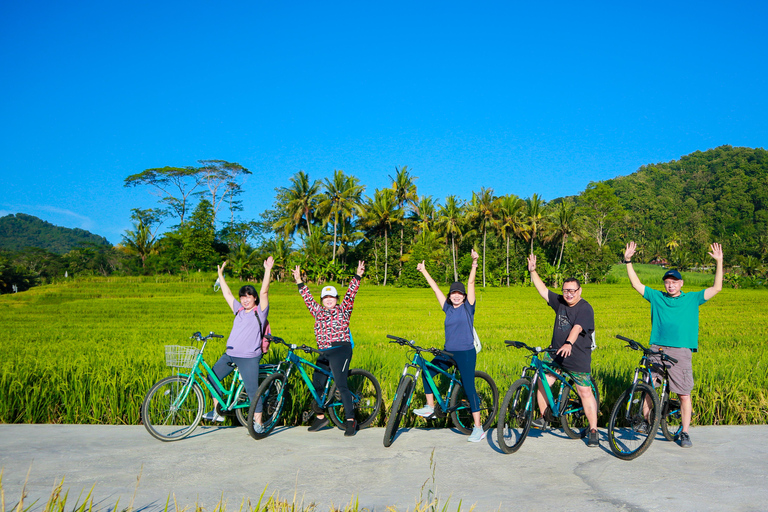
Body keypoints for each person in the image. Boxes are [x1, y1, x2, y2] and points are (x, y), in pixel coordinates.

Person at [623, 241, 723, 448]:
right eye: (667, 282)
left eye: (674, 282)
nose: (670, 285)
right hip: (656, 348)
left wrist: (719, 262)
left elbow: (717, 287)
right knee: (649, 386)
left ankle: (685, 432)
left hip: (681, 351)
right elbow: (636, 284)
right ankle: (647, 422)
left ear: (681, 283)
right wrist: (628, 260)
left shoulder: (692, 299)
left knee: (684, 393)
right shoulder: (657, 297)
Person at [413, 249, 486, 443]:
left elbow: (470, 283)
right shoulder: (447, 308)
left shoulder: (468, 308)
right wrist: (423, 271)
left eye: (459, 293)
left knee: (469, 387)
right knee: (427, 370)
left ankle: (478, 428)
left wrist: (474, 263)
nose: (456, 296)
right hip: (448, 352)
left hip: (466, 353)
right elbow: (436, 289)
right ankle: (430, 407)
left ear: (463, 296)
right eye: (453, 293)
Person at [527, 254, 599, 447]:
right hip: (557, 356)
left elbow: (576, 328)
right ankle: (544, 417)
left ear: (579, 290)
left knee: (584, 391)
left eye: (572, 291)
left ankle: (593, 430)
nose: (568, 294)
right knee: (543, 381)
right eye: (565, 290)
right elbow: (543, 290)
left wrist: (568, 343)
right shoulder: (560, 302)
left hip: (577, 358)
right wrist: (533, 271)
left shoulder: (585, 308)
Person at [292, 260, 366, 437]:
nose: (329, 300)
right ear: (322, 300)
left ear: (336, 299)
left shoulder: (344, 310)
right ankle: (320, 417)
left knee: (341, 384)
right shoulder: (318, 312)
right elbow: (307, 298)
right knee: (317, 384)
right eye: (325, 297)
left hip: (341, 349)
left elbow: (351, 294)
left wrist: (358, 276)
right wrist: (299, 282)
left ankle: (350, 421)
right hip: (323, 352)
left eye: (331, 297)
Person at [205, 256, 273, 434]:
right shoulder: (239, 310)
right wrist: (220, 275)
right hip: (231, 354)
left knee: (252, 391)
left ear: (255, 299)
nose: (245, 300)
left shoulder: (260, 312)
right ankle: (217, 411)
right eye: (243, 297)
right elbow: (227, 294)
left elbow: (264, 291)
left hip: (249, 357)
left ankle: (258, 423)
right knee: (211, 378)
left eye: (249, 297)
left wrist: (267, 270)